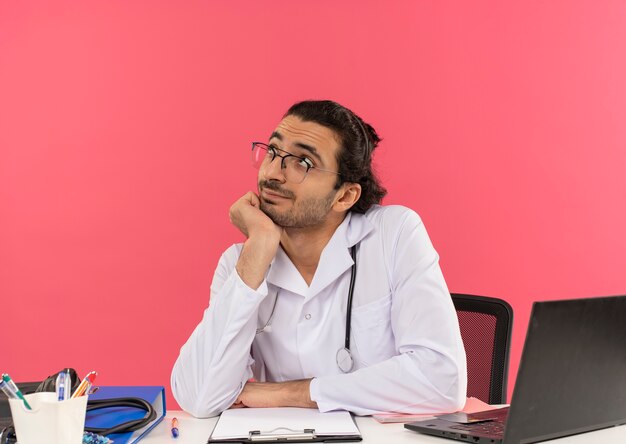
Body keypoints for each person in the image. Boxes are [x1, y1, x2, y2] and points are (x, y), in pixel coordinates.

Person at [171, 100, 467, 418]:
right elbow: (199, 398)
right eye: (272, 151)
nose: (273, 173)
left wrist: (295, 392)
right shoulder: (241, 263)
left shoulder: (392, 235)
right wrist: (257, 250)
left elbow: (442, 381)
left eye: (304, 162)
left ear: (344, 196)